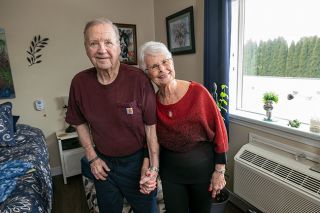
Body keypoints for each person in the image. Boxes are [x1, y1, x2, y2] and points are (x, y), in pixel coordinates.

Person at [65, 18, 159, 213]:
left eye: (108, 42)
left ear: (119, 46)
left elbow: (151, 129)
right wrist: (92, 157)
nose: (101, 49)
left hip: (136, 164)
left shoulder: (138, 79)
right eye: (93, 43)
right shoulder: (79, 83)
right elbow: (78, 122)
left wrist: (153, 168)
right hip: (104, 166)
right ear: (86, 48)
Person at [138, 41, 229, 213]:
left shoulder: (198, 93)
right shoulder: (152, 103)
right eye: (155, 66)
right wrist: (149, 168)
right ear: (147, 73)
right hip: (171, 173)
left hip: (202, 171)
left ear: (172, 62)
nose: (163, 69)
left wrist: (220, 171)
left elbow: (220, 133)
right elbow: (149, 140)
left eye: (166, 61)